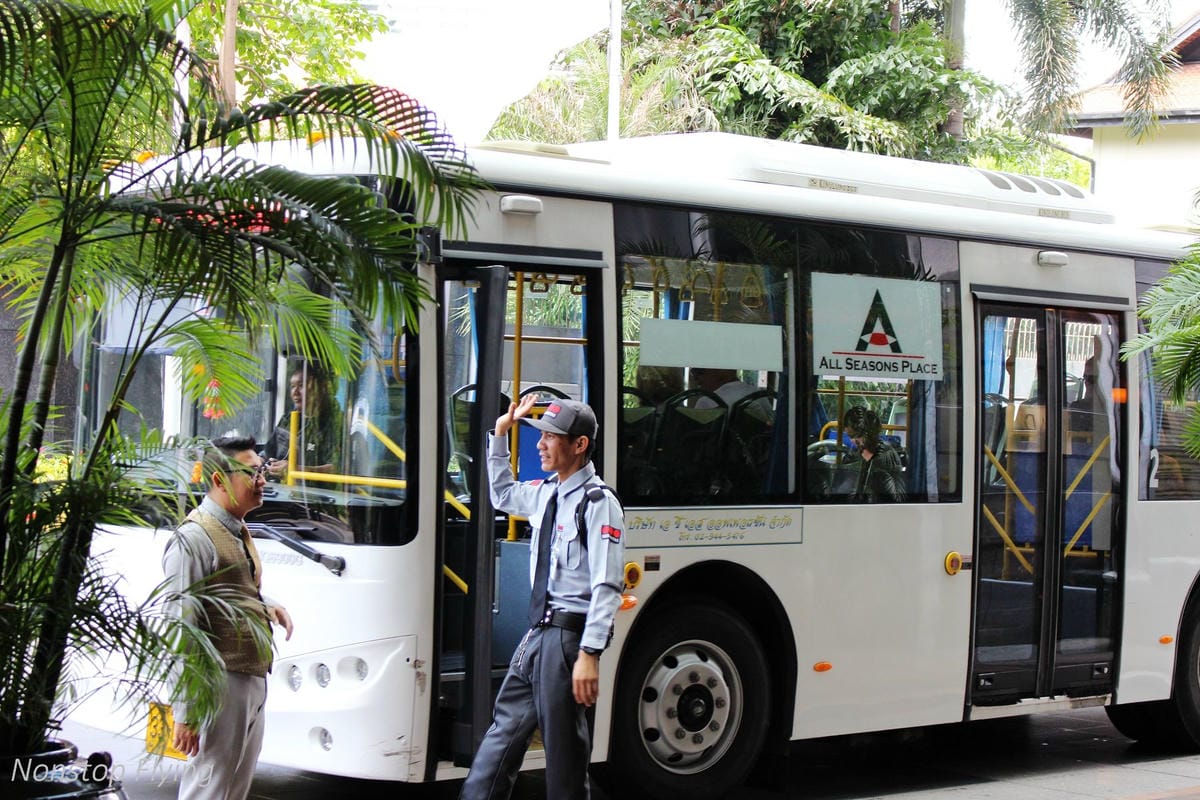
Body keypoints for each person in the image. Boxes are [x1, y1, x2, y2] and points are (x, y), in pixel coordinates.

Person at [460, 396, 626, 800]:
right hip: (537, 635)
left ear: (579, 445)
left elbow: (607, 584)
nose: (540, 445)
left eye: (551, 437)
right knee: (500, 740)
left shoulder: (599, 504)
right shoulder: (546, 494)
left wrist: (589, 654)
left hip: (567, 641)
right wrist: (500, 434)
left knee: (565, 762)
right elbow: (501, 495)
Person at [163, 434, 295, 800]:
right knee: (208, 789)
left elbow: (226, 591)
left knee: (233, 790)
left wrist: (265, 604)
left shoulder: (235, 528)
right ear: (220, 480)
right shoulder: (193, 538)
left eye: (263, 470)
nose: (263, 480)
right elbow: (181, 628)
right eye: (252, 473)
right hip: (219, 684)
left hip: (250, 678)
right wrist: (186, 712)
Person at [265, 361, 342, 478]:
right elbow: (268, 452)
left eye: (301, 385)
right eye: (292, 386)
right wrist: (257, 461)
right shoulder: (288, 419)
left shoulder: (335, 423)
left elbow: (336, 469)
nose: (295, 392)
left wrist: (295, 470)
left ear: (322, 387)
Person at [842, 405, 905, 503]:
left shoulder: (887, 456)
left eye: (856, 436)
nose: (853, 441)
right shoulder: (853, 455)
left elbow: (896, 498)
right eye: (850, 437)